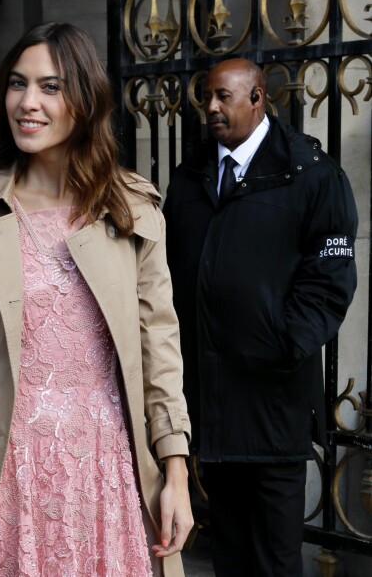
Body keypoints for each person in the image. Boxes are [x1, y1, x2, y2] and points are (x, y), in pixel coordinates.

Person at [0, 22, 193, 576]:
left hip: (110, 470)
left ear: (86, 100)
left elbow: (161, 352)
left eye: (50, 87)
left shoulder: (133, 211)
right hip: (9, 468)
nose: (27, 102)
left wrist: (176, 476)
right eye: (17, 84)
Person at [163, 57, 358, 576]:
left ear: (257, 98)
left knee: (275, 560)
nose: (210, 108)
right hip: (212, 405)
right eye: (207, 96)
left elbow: (330, 280)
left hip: (274, 407)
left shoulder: (312, 175)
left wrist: (281, 342)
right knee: (227, 554)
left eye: (224, 96)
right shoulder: (189, 179)